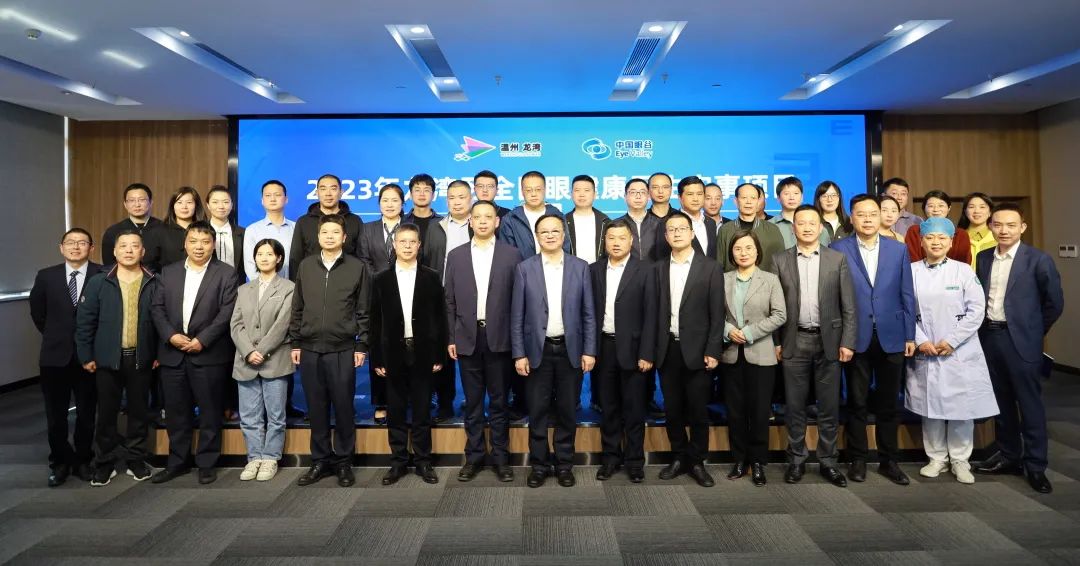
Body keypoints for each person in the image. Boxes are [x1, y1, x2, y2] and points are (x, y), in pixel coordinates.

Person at [972, 203, 1064, 494]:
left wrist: (1034, 332)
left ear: (1022, 227)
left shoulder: (1038, 259)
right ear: (991, 226)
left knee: (1029, 404)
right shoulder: (984, 257)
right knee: (1000, 402)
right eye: (998, 224)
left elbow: (1054, 304)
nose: (1004, 230)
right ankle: (1009, 456)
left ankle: (1035, 466)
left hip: (1022, 341)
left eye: (1011, 225)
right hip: (990, 337)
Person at [830, 194, 916, 485]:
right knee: (856, 402)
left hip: (892, 335)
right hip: (855, 336)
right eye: (861, 214)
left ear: (881, 216)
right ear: (851, 217)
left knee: (889, 403)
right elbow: (834, 298)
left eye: (872, 214)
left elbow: (907, 293)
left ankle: (889, 461)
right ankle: (858, 459)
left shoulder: (898, 249)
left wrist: (909, 334)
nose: (867, 219)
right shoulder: (838, 248)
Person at [905, 218, 998, 485]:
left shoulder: (963, 272)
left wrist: (953, 341)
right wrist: (921, 340)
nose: (936, 242)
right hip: (926, 349)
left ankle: (960, 460)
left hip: (959, 350)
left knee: (961, 407)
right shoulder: (910, 271)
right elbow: (904, 309)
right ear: (921, 242)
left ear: (951, 242)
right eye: (930, 237)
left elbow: (976, 310)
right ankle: (936, 458)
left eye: (942, 238)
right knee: (930, 406)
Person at [771, 205, 855, 488]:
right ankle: (796, 460)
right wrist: (777, 342)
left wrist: (847, 341)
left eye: (812, 223)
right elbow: (773, 306)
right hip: (793, 340)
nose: (807, 227)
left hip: (829, 341)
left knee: (828, 407)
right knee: (794, 406)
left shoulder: (837, 259)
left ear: (820, 228)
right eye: (801, 223)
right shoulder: (779, 260)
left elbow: (848, 306)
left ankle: (828, 461)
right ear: (793, 228)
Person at [150, 222, 238, 485]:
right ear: (185, 243)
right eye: (194, 241)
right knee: (176, 412)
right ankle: (177, 462)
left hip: (209, 354)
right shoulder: (169, 272)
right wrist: (171, 336)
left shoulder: (226, 273)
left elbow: (226, 312)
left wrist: (202, 340)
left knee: (210, 412)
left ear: (213, 245)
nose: (199, 247)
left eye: (205, 242)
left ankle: (207, 463)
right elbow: (157, 308)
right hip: (173, 353)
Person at [512, 214, 596, 488]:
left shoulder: (580, 267)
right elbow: (517, 316)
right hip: (537, 352)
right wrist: (519, 354)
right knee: (537, 412)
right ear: (537, 237)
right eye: (544, 232)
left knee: (567, 412)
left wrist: (589, 350)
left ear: (564, 235)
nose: (550, 236)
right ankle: (538, 466)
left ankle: (564, 465)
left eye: (555, 231)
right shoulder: (525, 268)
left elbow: (588, 313)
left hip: (571, 351)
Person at [290, 214, 371, 487]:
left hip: (343, 349)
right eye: (325, 232)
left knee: (344, 407)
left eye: (335, 232)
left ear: (344, 237)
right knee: (316, 407)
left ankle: (344, 461)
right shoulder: (306, 266)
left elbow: (364, 310)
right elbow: (297, 307)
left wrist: (362, 344)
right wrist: (295, 341)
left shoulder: (357, 267)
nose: (330, 236)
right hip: (310, 348)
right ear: (318, 236)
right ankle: (320, 460)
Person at [75, 230, 160, 486]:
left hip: (141, 357)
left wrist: (157, 354)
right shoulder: (100, 282)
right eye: (123, 246)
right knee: (106, 414)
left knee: (139, 412)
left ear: (143, 252)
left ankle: (135, 459)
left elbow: (162, 322)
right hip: (107, 359)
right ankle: (105, 462)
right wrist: (86, 355)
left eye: (134, 246)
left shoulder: (154, 281)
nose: (129, 250)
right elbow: (85, 322)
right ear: (114, 251)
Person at [445, 201, 521, 482]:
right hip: (467, 337)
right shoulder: (456, 255)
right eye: (477, 217)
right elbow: (449, 301)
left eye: (489, 217)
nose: (483, 221)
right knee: (473, 403)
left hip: (500, 338)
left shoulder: (512, 254)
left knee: (500, 402)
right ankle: (474, 457)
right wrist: (451, 337)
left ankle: (501, 458)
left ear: (497, 222)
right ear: (470, 221)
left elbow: (519, 300)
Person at [370, 224, 448, 485]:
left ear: (419, 245)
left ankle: (424, 461)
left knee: (422, 410)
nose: (406, 246)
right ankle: (398, 462)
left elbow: (440, 318)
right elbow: (374, 322)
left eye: (412, 241)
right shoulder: (380, 279)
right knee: (396, 411)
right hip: (392, 353)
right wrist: (377, 358)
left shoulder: (431, 277)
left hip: (423, 351)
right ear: (394, 245)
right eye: (402, 241)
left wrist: (439, 354)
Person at [654, 212, 724, 488]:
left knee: (698, 410)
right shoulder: (657, 268)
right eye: (671, 229)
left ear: (692, 233)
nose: (677, 233)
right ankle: (679, 456)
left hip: (699, 350)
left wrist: (713, 350)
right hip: (667, 349)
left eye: (682, 228)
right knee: (672, 410)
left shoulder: (710, 268)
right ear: (665, 236)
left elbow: (717, 314)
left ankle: (696, 460)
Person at [30, 228, 102, 486]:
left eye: (82, 242)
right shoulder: (46, 276)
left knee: (86, 413)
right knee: (55, 416)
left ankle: (83, 460)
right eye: (70, 242)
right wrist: (56, 335)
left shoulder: (102, 274)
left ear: (91, 248)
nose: (75, 247)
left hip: (90, 357)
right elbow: (38, 314)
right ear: (61, 248)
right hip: (54, 356)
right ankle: (60, 461)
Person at [589, 219, 657, 483]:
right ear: (604, 242)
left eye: (621, 238)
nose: (616, 243)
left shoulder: (646, 270)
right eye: (611, 238)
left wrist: (647, 353)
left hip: (635, 349)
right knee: (608, 408)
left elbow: (652, 315)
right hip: (604, 347)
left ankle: (635, 462)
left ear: (631, 241)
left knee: (634, 409)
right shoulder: (594, 270)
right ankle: (610, 459)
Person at [719, 230, 786, 486]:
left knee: (759, 412)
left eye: (748, 248)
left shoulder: (770, 279)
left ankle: (758, 462)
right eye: (738, 248)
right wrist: (728, 330)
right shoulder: (723, 279)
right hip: (730, 355)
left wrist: (748, 333)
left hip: (761, 354)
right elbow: (714, 313)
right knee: (735, 411)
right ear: (731, 253)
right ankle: (739, 459)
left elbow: (780, 315)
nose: (743, 253)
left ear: (757, 251)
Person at [230, 238, 294, 482]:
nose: (264, 258)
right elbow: (236, 324)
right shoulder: (243, 289)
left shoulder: (288, 288)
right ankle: (254, 457)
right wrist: (248, 351)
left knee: (276, 415)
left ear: (279, 258)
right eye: (260, 254)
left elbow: (283, 325)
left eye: (269, 254)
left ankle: (270, 458)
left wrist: (262, 350)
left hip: (275, 360)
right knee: (249, 416)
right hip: (245, 360)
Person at [419, 180, 472, 423]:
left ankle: (474, 402)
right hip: (442, 296)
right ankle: (445, 404)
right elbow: (427, 260)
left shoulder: (479, 223)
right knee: (443, 352)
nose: (457, 202)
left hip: (474, 298)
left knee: (474, 353)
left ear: (470, 198)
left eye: (462, 197)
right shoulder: (435, 227)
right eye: (452, 197)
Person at [356, 184, 405, 424]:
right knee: (380, 347)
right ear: (379, 204)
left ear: (402, 204)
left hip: (405, 292)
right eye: (385, 200)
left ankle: (404, 398)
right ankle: (382, 402)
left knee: (404, 347)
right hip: (375, 294)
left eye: (394, 200)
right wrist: (382, 281)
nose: (389, 204)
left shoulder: (410, 228)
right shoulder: (368, 229)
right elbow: (364, 260)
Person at [289, 174, 363, 280]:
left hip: (348, 281)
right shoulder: (304, 221)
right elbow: (295, 258)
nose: (328, 194)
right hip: (312, 282)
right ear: (316, 193)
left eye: (333, 188)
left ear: (341, 192)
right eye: (323, 189)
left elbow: (361, 256)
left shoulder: (354, 220)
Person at [499, 171, 571, 260]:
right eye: (528, 190)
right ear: (522, 192)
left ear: (545, 190)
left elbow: (566, 248)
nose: (533, 194)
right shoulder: (510, 219)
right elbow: (507, 254)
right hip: (521, 268)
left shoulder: (558, 216)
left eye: (538, 189)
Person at [717, 183, 785, 272]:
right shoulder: (725, 230)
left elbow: (782, 263)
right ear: (736, 201)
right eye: (744, 198)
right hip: (732, 280)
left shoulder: (772, 229)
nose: (748, 202)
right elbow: (719, 265)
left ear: (758, 201)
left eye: (753, 198)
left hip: (766, 280)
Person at [101, 183, 164, 271]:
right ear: (125, 204)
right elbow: (109, 265)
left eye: (142, 200)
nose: (137, 204)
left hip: (158, 278)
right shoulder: (113, 231)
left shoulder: (165, 228)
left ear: (150, 202)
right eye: (131, 200)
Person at [654, 176, 717, 259]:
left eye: (699, 194)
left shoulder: (711, 223)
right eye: (690, 194)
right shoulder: (667, 222)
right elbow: (661, 258)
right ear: (680, 198)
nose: (695, 199)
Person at [244, 180, 295, 280]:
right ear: (262, 200)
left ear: (286, 199)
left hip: (294, 285)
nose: (272, 199)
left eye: (277, 195)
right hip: (263, 287)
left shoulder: (296, 228)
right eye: (268, 195)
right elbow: (250, 265)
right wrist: (265, 286)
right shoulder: (252, 230)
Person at [904, 190, 972, 264]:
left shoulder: (961, 234)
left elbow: (963, 262)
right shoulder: (914, 231)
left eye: (941, 206)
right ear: (924, 208)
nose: (936, 210)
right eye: (931, 206)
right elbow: (911, 259)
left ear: (949, 208)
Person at [769, 177, 830, 249]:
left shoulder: (817, 226)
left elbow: (826, 252)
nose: (792, 197)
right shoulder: (769, 226)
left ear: (802, 197)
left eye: (796, 193)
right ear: (778, 198)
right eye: (786, 194)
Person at [566, 175, 612, 264]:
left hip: (598, 270)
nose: (581, 194)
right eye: (577, 190)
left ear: (594, 194)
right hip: (571, 270)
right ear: (571, 194)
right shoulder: (563, 221)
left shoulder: (605, 222)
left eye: (586, 190)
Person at [205, 185, 246, 282]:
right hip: (206, 284)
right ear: (208, 205)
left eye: (226, 202)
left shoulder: (243, 233)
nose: (221, 206)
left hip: (236, 285)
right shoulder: (200, 231)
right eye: (215, 202)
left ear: (232, 205)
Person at [160, 186, 207, 267]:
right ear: (172, 206)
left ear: (196, 205)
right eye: (179, 202)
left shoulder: (206, 230)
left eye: (189, 202)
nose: (184, 207)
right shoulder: (160, 230)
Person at [958, 192, 996, 271]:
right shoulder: (957, 238)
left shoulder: (998, 238)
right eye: (971, 207)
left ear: (990, 212)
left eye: (982, 207)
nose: (977, 211)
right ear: (965, 212)